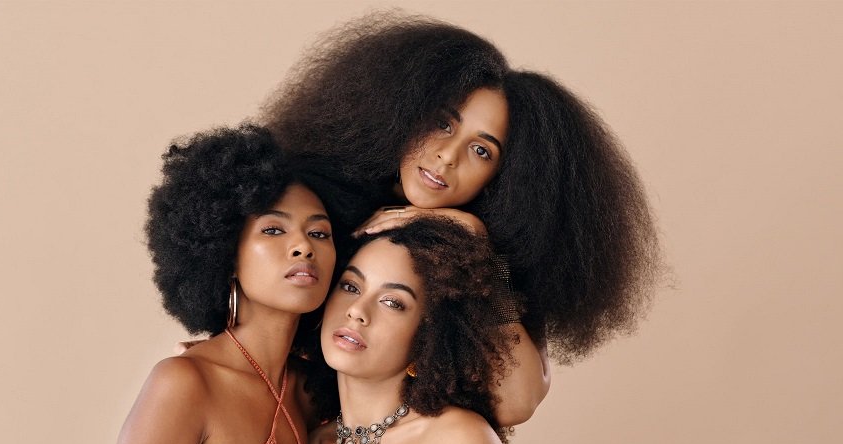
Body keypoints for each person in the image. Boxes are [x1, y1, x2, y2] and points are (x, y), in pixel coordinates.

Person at [262, 14, 662, 417]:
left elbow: (518, 402)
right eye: (442, 124)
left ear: (503, 179)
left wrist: (475, 249)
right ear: (402, 112)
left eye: (482, 150)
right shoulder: (323, 201)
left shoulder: (499, 257)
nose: (448, 156)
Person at [112, 124, 338, 444]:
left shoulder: (309, 391)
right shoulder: (183, 384)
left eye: (320, 232)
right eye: (273, 229)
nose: (304, 246)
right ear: (225, 254)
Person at [308, 217, 525, 444]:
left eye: (392, 302)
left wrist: (479, 234)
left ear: (428, 337)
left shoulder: (458, 441)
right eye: (350, 286)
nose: (357, 310)